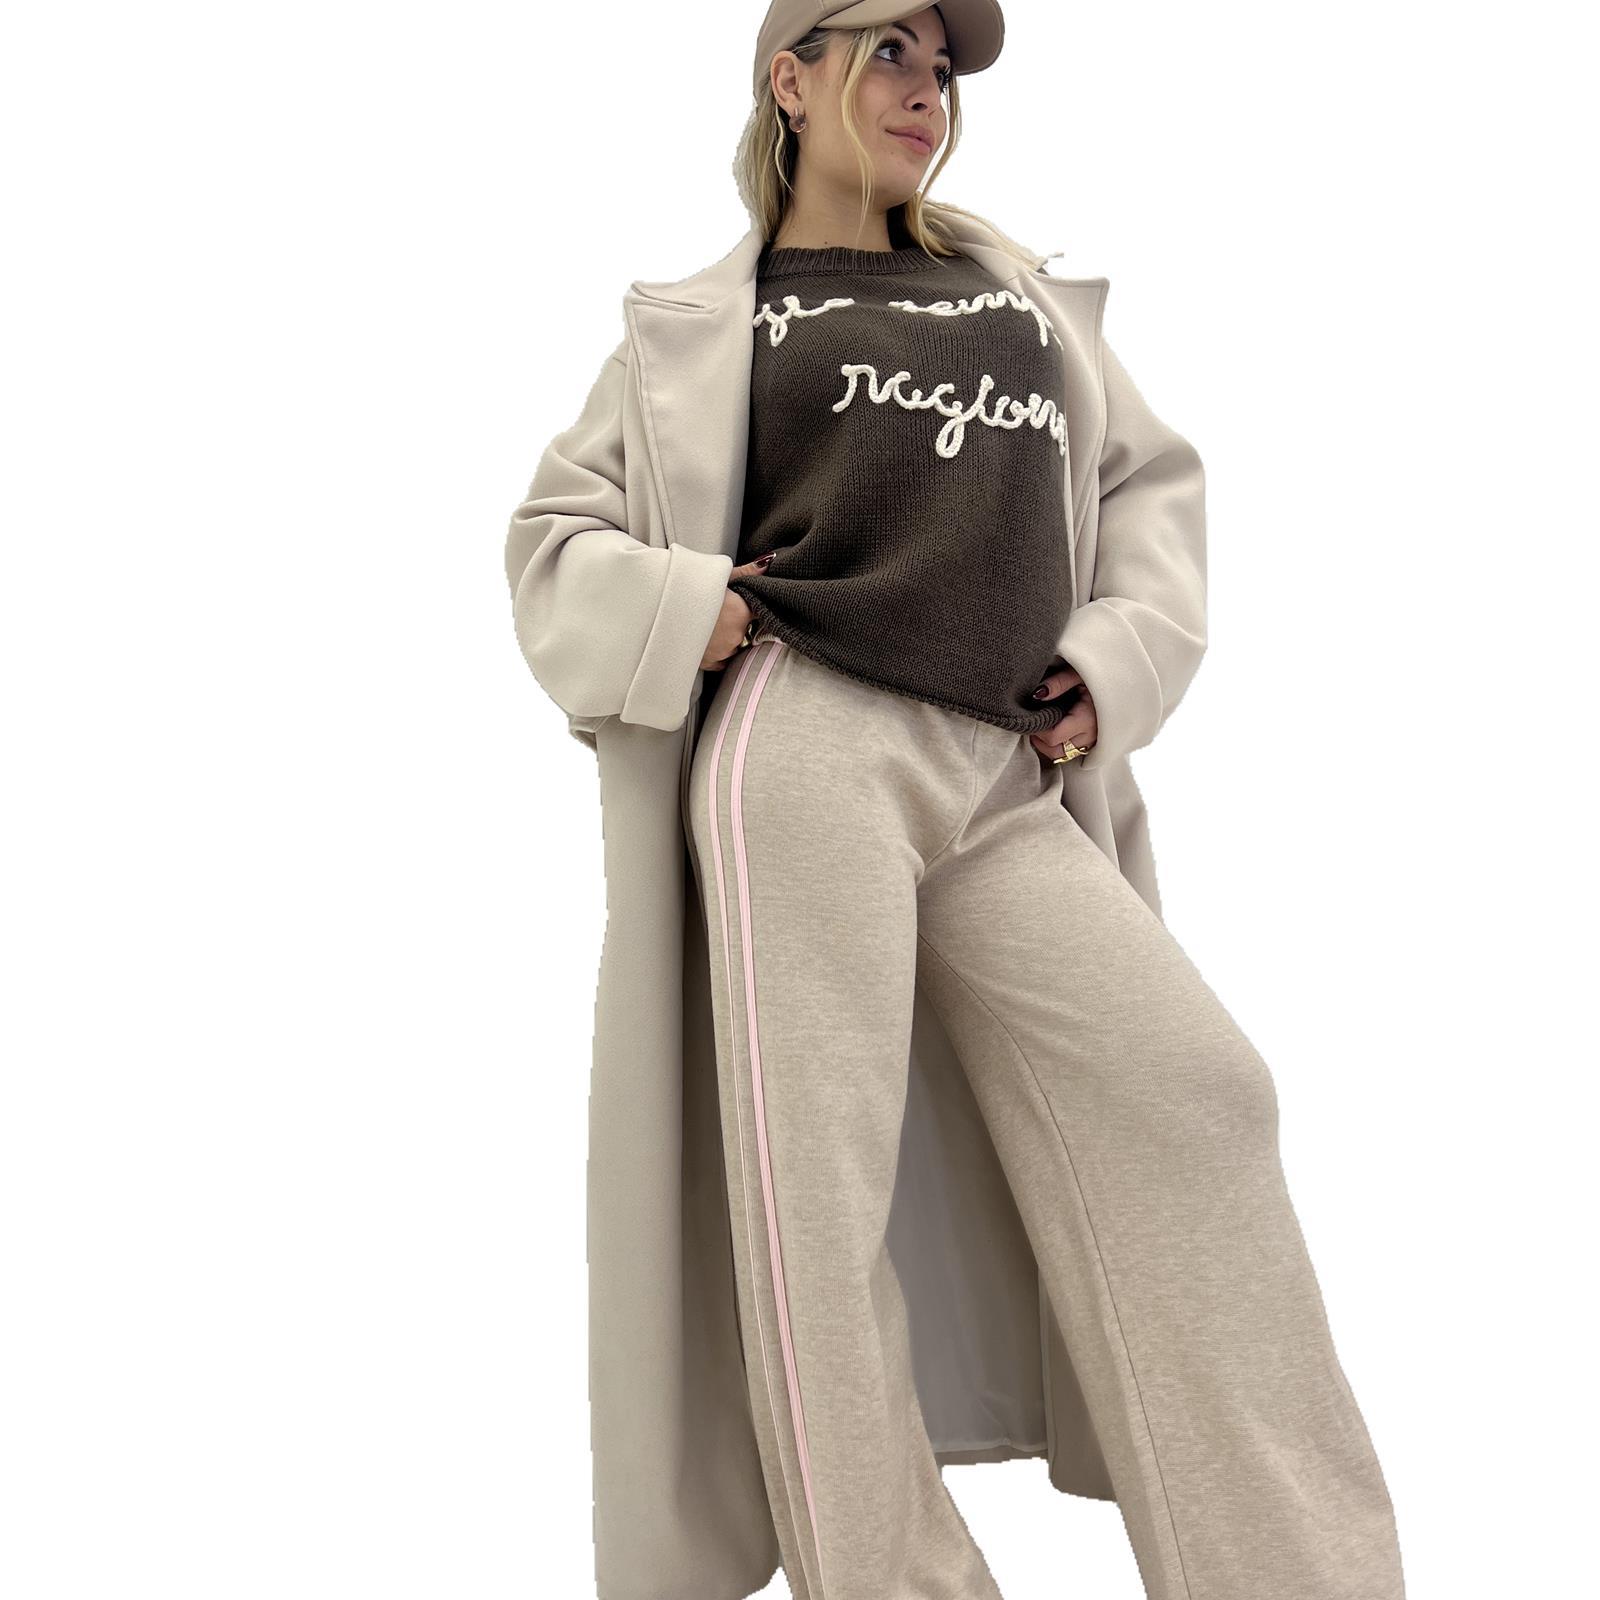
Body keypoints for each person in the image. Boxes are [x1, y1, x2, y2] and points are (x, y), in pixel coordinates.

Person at [505, 3, 1409, 1597]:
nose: (926, 90)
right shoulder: (706, 323)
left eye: (940, 67)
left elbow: (1148, 490)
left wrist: (1112, 662)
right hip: (806, 747)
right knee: (814, 1203)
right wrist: (681, 609)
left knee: (1203, 1097)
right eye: (888, 54)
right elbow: (550, 543)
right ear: (791, 79)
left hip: (1001, 770)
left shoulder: (1008, 291)